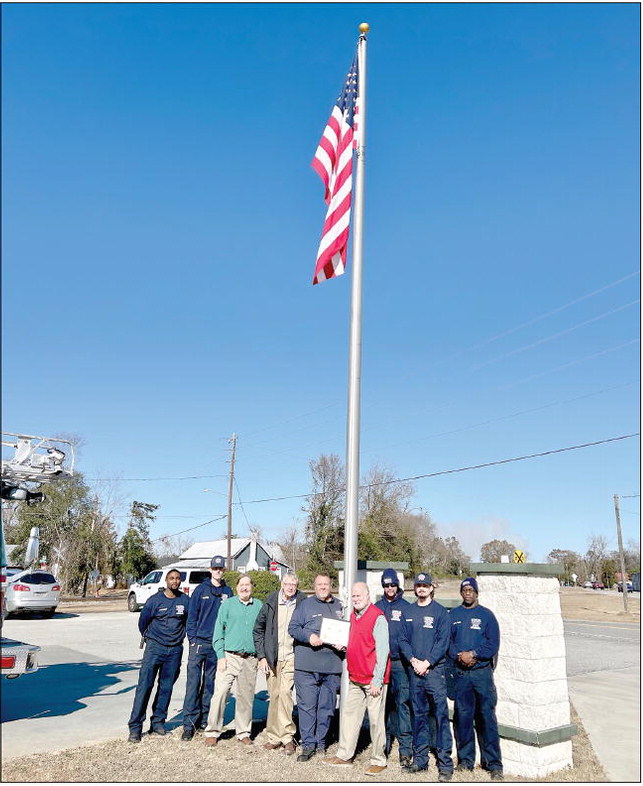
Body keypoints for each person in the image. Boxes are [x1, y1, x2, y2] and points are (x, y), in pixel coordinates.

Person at [323, 582, 391, 776]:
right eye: (353, 596)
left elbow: (383, 651)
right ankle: (345, 755)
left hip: (372, 681)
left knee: (376, 721)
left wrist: (377, 681)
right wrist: (343, 646)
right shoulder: (353, 615)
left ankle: (379, 759)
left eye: (359, 595)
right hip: (355, 677)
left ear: (368, 595)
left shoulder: (378, 617)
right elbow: (357, 642)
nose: (355, 599)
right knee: (349, 718)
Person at [399, 572, 453, 782]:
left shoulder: (440, 612)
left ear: (431, 588)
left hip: (434, 673)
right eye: (418, 585)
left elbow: (443, 642)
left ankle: (445, 764)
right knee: (418, 717)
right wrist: (413, 661)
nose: (421, 588)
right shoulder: (408, 611)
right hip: (415, 673)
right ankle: (420, 760)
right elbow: (402, 639)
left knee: (440, 718)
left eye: (425, 585)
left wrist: (427, 662)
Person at [449, 577, 503, 781]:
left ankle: (493, 764)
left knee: (487, 718)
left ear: (477, 592)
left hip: (482, 675)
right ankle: (465, 761)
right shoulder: (453, 615)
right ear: (461, 593)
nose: (468, 592)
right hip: (462, 675)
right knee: (463, 718)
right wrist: (459, 655)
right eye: (465, 590)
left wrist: (473, 654)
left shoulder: (487, 616)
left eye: (471, 589)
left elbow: (493, 644)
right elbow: (448, 642)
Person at [127, 569, 189, 742]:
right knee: (144, 687)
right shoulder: (154, 600)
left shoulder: (185, 601)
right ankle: (135, 727)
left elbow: (188, 621)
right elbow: (143, 623)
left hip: (175, 650)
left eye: (177, 578)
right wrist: (151, 639)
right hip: (155, 648)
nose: (175, 581)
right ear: (166, 581)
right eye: (171, 578)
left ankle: (158, 723)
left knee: (166, 687)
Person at [288, 573, 344, 762]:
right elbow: (293, 628)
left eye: (325, 584)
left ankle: (321, 743)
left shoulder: (339, 606)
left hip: (332, 666)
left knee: (326, 708)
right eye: (319, 584)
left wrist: (343, 644)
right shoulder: (305, 605)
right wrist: (308, 637)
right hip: (307, 665)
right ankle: (308, 745)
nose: (322, 587)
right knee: (307, 706)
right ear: (315, 586)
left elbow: (348, 631)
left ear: (330, 585)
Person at [203, 574, 263, 747]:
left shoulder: (258, 606)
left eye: (248, 585)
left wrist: (261, 656)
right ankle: (213, 731)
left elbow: (262, 633)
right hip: (229, 657)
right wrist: (220, 656)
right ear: (236, 587)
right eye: (241, 585)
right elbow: (218, 632)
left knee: (246, 697)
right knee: (221, 692)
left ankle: (243, 732)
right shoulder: (228, 605)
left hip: (250, 659)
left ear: (252, 587)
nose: (245, 588)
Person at [181, 555, 233, 740]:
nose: (218, 571)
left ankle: (204, 719)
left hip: (217, 646)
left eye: (220, 568)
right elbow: (191, 617)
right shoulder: (200, 590)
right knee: (193, 684)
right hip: (199, 644)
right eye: (215, 568)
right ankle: (189, 723)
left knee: (210, 685)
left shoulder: (228, 591)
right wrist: (193, 639)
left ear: (223, 570)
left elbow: (230, 619)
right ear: (210, 570)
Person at [253, 572, 306, 755]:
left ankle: (287, 737)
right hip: (272, 657)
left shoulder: (302, 602)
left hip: (292, 656)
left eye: (293, 584)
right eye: (287, 583)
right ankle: (273, 737)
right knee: (274, 695)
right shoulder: (271, 601)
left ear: (297, 585)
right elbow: (258, 629)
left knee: (285, 694)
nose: (290, 587)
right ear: (282, 584)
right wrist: (261, 656)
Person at [375, 567, 413, 767]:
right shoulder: (376, 606)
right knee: (384, 706)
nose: (389, 588)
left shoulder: (406, 607)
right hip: (381, 663)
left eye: (392, 584)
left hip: (400, 664)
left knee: (402, 705)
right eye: (386, 585)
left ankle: (405, 750)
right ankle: (384, 745)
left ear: (398, 586)